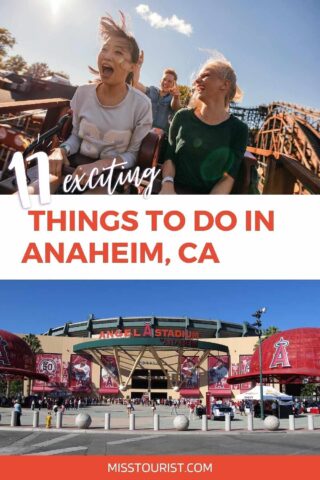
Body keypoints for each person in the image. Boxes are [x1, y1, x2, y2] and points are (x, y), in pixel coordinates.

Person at [49, 12, 152, 190]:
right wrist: (61, 150)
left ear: (132, 67)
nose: (107, 56)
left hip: (111, 176)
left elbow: (132, 155)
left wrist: (100, 166)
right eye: (104, 49)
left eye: (118, 52)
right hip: (72, 168)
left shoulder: (142, 105)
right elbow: (76, 137)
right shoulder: (82, 93)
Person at [159, 56, 248, 195]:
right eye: (198, 77)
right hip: (173, 190)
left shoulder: (239, 130)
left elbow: (228, 177)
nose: (196, 81)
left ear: (225, 85)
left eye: (205, 75)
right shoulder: (182, 116)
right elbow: (169, 157)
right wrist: (167, 185)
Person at [133, 52, 181, 132]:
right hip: (140, 130)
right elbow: (135, 84)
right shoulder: (151, 90)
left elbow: (176, 107)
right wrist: (138, 66)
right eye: (164, 79)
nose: (166, 82)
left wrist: (176, 97)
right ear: (160, 81)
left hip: (157, 138)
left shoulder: (173, 98)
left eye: (169, 81)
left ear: (174, 84)